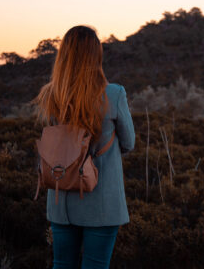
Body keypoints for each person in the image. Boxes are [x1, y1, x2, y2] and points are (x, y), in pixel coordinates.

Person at [33, 25, 136, 269]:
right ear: (96, 55)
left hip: (61, 198)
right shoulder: (113, 94)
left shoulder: (51, 95)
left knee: (62, 265)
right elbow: (129, 143)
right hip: (101, 202)